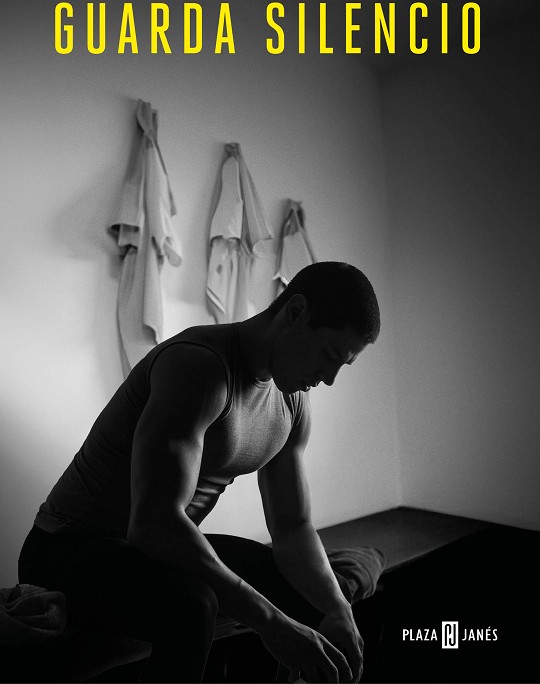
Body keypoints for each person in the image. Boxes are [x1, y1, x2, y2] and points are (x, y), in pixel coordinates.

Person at [18, 261, 383, 683]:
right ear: (295, 312)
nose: (330, 378)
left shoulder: (291, 403)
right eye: (329, 355)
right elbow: (154, 525)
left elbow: (292, 526)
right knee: (193, 607)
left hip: (145, 553)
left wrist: (339, 610)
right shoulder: (199, 366)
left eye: (343, 365)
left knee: (295, 588)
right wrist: (271, 622)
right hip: (66, 548)